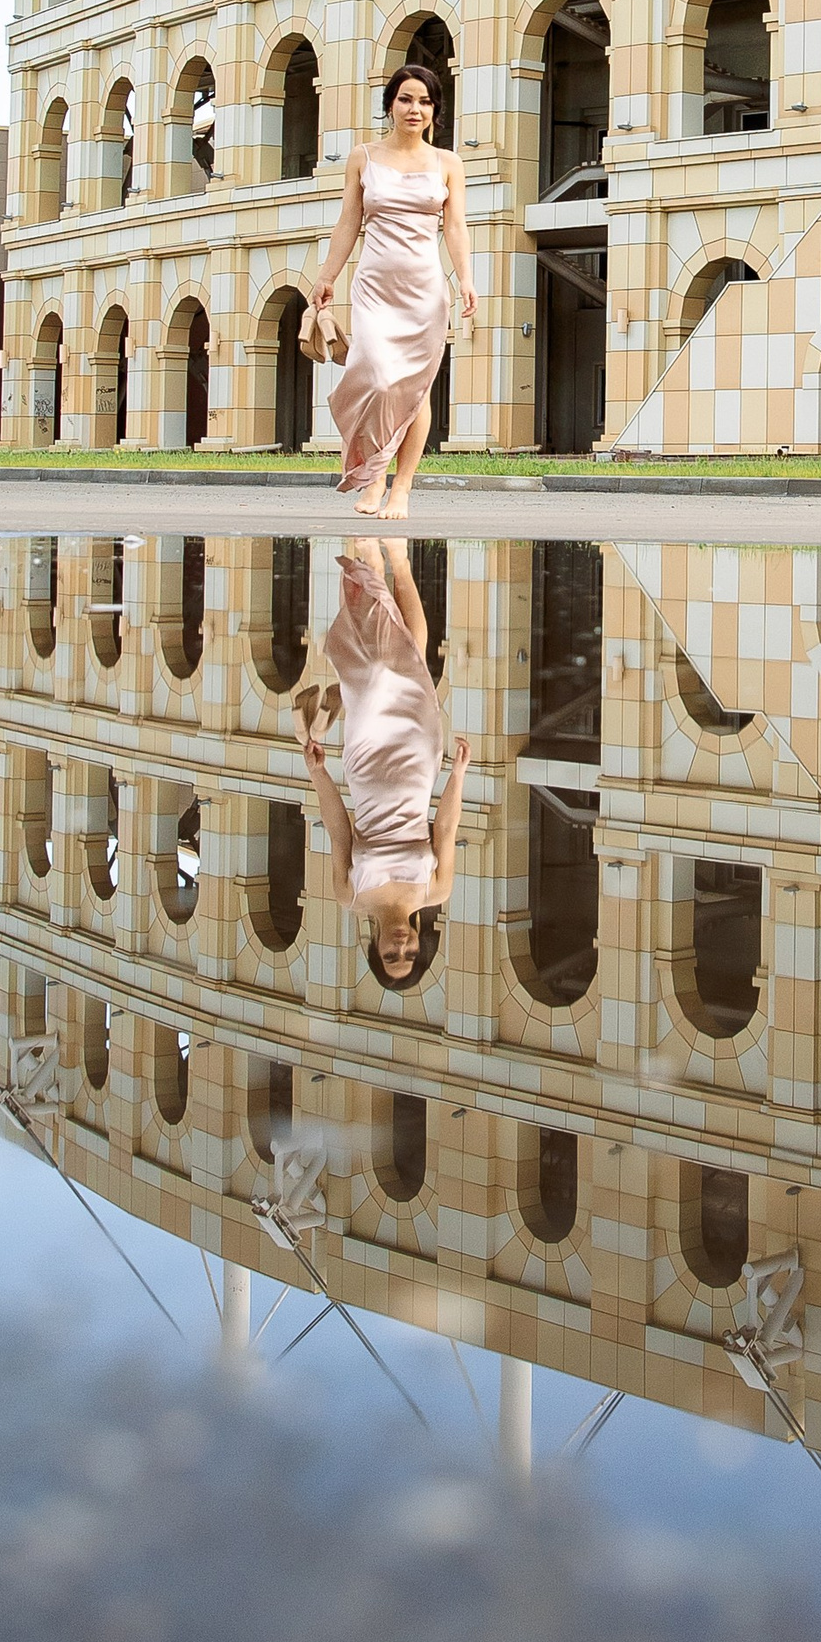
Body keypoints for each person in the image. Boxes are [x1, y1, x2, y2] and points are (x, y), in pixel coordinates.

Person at [296, 541, 469, 981]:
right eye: (410, 954)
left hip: (367, 765)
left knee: (378, 676)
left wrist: (318, 773)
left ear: (374, 947)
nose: (401, 948)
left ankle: (370, 574)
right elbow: (445, 829)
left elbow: (338, 829)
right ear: (417, 944)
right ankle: (395, 562)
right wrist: (457, 776)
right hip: (415, 761)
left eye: (391, 957)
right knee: (410, 663)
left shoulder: (349, 894)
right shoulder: (436, 890)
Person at [310, 63, 477, 517]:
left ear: (435, 110)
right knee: (379, 378)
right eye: (406, 98)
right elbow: (348, 223)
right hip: (374, 289)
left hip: (425, 291)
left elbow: (455, 227)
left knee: (414, 390)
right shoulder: (363, 157)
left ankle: (399, 487)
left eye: (424, 101)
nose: (414, 109)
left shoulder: (448, 163)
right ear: (390, 104)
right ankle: (373, 474)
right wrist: (326, 277)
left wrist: (465, 278)